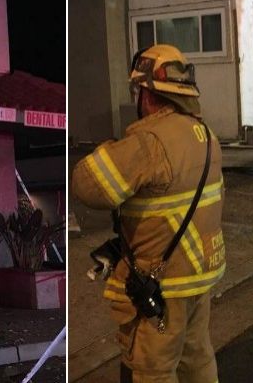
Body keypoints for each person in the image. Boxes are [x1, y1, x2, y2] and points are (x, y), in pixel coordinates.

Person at [71, 44, 225, 383]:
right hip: (197, 274)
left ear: (147, 93)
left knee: (152, 371)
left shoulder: (150, 141)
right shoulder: (206, 135)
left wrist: (111, 147)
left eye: (137, 91)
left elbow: (86, 184)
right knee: (196, 359)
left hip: (161, 285)